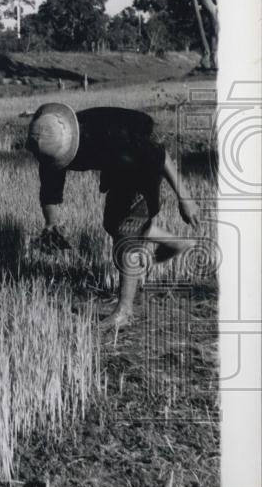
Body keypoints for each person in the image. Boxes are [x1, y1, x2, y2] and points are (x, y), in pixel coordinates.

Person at [25, 102, 200, 329]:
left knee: (126, 234)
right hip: (118, 162)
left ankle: (124, 312)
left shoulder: (115, 138)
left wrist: (185, 198)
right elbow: (50, 186)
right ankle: (178, 243)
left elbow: (161, 155)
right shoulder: (49, 137)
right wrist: (52, 223)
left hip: (140, 161)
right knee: (113, 224)